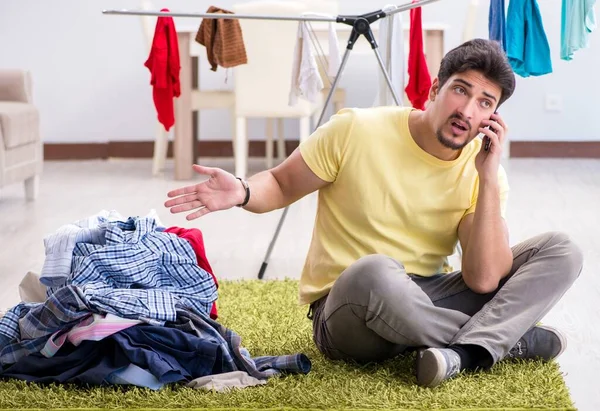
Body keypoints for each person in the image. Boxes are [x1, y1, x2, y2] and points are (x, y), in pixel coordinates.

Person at [164, 38, 583, 387]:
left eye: (485, 103)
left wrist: (488, 179)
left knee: (562, 250)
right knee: (376, 272)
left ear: (493, 117)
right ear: (435, 89)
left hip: (424, 296)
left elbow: (483, 277)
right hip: (350, 308)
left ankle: (464, 353)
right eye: (461, 90)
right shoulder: (356, 129)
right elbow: (282, 183)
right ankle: (508, 341)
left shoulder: (484, 171)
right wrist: (240, 189)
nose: (468, 111)